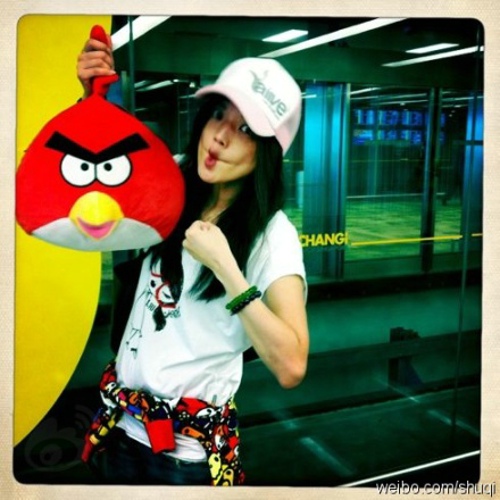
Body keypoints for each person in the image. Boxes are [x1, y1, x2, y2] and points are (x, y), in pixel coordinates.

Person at [77, 31, 309, 486]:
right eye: (219, 114)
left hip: (183, 460)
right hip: (122, 428)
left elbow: (292, 366)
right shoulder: (175, 180)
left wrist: (227, 268)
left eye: (246, 129)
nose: (220, 136)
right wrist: (92, 99)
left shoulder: (273, 236)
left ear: (268, 151)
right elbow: (94, 180)